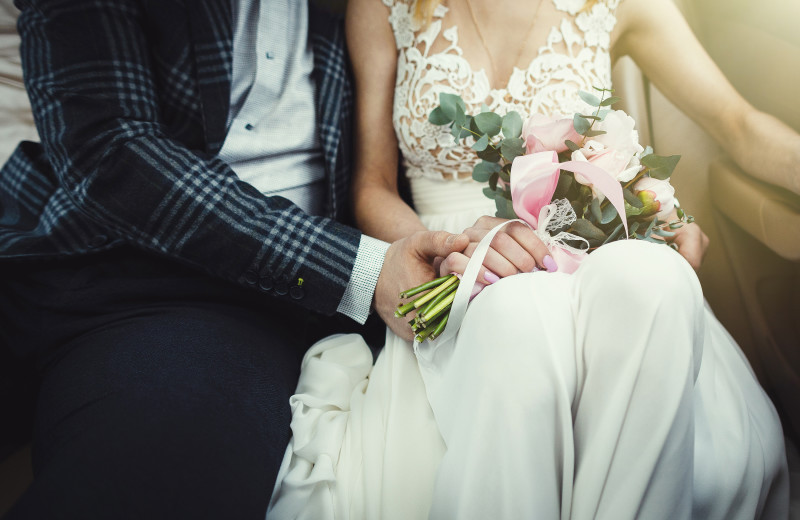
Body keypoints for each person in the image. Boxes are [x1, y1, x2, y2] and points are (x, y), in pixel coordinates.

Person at [268, 0, 797, 518]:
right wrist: (451, 250)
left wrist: (652, 204)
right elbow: (373, 185)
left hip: (591, 260)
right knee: (518, 324)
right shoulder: (385, 8)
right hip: (455, 264)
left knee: (651, 285)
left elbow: (742, 127)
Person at [0, 1, 470, 518]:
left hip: (224, 310)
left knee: (158, 468)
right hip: (78, 254)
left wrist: (464, 240)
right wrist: (359, 268)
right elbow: (109, 153)